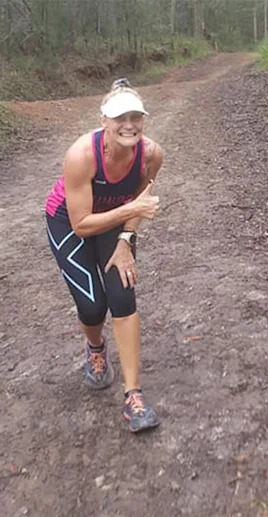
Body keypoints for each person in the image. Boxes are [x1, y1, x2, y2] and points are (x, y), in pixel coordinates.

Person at [44, 78, 163, 433]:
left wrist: (126, 239)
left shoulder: (151, 154)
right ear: (103, 121)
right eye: (119, 117)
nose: (128, 125)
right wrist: (131, 210)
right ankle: (95, 348)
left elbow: (140, 200)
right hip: (70, 222)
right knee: (93, 306)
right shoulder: (81, 155)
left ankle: (134, 396)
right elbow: (81, 224)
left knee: (123, 296)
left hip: (113, 220)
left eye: (135, 116)